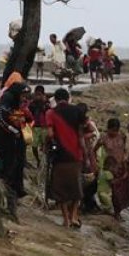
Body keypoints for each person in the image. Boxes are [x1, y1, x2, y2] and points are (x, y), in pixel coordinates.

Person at [46, 88, 86, 228]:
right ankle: (74, 215)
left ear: (55, 99)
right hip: (76, 155)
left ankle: (66, 219)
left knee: (61, 189)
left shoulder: (51, 113)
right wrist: (86, 154)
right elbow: (81, 136)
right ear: (68, 98)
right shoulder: (78, 111)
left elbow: (50, 134)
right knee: (76, 187)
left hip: (60, 156)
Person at [0, 82, 29, 206]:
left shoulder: (15, 103)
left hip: (16, 139)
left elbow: (18, 118)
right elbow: (1, 119)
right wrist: (14, 131)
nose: (24, 98)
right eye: (23, 95)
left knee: (19, 162)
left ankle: (17, 189)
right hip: (6, 139)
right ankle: (8, 192)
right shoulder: (6, 100)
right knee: (10, 165)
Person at [94, 118, 129, 220]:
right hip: (109, 167)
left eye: (116, 130)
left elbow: (127, 150)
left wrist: (127, 164)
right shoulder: (104, 138)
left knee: (118, 193)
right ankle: (106, 208)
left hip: (121, 167)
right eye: (112, 130)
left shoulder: (122, 136)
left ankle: (117, 212)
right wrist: (95, 162)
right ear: (108, 129)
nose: (114, 133)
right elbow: (94, 149)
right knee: (103, 190)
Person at [27, 85, 49, 168]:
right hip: (35, 127)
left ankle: (44, 161)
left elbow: (48, 111)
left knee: (44, 145)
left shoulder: (46, 103)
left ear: (43, 95)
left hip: (44, 127)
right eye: (36, 94)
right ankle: (38, 160)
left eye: (39, 95)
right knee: (34, 145)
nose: (37, 96)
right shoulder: (32, 104)